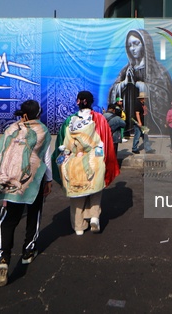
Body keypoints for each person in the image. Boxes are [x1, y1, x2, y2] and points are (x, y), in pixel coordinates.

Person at [0, 100, 52, 287]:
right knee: (34, 214)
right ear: (38, 114)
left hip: (10, 180)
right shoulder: (42, 131)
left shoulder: (11, 129)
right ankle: (28, 251)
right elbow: (46, 158)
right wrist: (48, 180)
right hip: (33, 180)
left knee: (8, 219)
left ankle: (2, 259)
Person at [52, 91, 120, 236]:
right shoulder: (100, 119)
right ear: (91, 102)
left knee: (77, 194)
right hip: (94, 159)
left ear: (78, 101)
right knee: (95, 189)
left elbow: (62, 143)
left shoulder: (70, 120)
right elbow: (106, 142)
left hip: (74, 161)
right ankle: (94, 216)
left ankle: (79, 226)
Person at [108, 29, 172, 135]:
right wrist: (123, 84)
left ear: (145, 45)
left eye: (136, 44)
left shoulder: (158, 70)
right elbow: (113, 92)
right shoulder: (126, 70)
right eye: (129, 45)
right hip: (130, 114)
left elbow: (164, 96)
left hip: (150, 120)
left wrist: (144, 87)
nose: (132, 49)